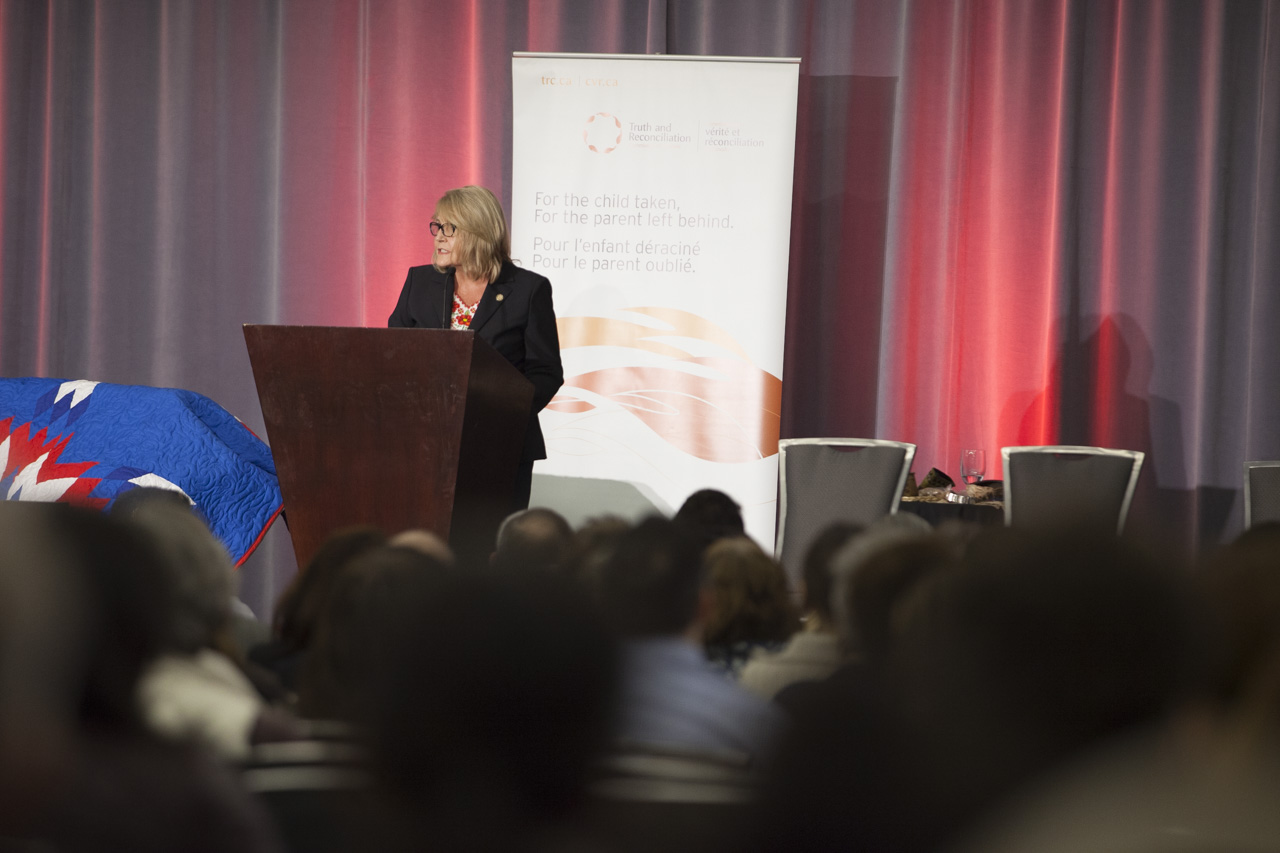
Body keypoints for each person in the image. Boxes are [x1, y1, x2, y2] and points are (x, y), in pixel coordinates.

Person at [388, 186, 564, 510]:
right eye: (436, 226)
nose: (438, 237)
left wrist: (501, 413)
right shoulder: (420, 282)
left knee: (488, 553)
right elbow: (393, 354)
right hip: (426, 445)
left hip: (501, 448)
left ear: (479, 232)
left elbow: (545, 372)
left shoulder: (527, 290)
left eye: (449, 229)